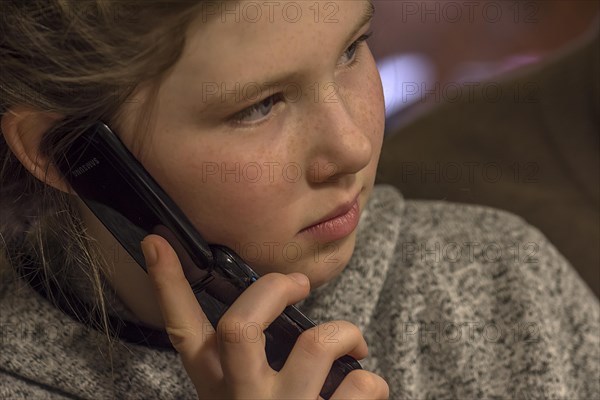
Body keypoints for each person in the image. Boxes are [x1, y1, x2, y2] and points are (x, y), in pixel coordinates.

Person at [0, 1, 597, 399]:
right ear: (65, 151)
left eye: (352, 48)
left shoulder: (502, 281)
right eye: (259, 105)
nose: (352, 146)